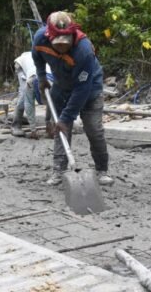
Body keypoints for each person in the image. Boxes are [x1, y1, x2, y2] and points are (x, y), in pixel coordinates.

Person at [32, 11, 114, 186]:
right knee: (61, 130)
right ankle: (59, 170)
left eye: (66, 43)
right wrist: (42, 78)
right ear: (49, 36)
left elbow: (82, 89)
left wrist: (66, 117)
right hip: (61, 87)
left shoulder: (84, 50)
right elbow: (37, 56)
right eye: (58, 44)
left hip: (89, 89)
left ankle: (102, 170)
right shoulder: (40, 38)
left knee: (94, 130)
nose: (62, 47)